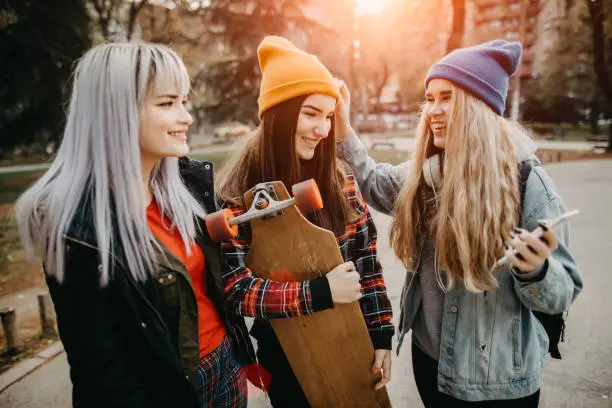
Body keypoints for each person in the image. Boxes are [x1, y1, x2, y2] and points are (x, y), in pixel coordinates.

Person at [334, 40, 583, 407]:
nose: (432, 110)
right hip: (431, 364)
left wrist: (536, 270)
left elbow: (563, 292)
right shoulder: (426, 176)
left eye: (447, 97)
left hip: (497, 384)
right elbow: (373, 182)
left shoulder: (526, 182)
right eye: (430, 98)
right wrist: (342, 126)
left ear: (479, 107)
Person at [14, 42, 255, 408]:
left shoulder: (186, 185)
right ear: (115, 113)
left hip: (226, 367)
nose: (186, 116)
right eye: (167, 103)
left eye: (184, 100)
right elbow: (105, 375)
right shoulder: (77, 230)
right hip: (172, 391)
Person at [215, 36, 395, 407]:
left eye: (329, 116)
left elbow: (367, 263)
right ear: (278, 114)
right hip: (288, 357)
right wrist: (317, 294)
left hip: (352, 340)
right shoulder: (239, 196)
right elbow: (236, 289)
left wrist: (380, 338)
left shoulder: (339, 181)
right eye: (311, 113)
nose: (323, 129)